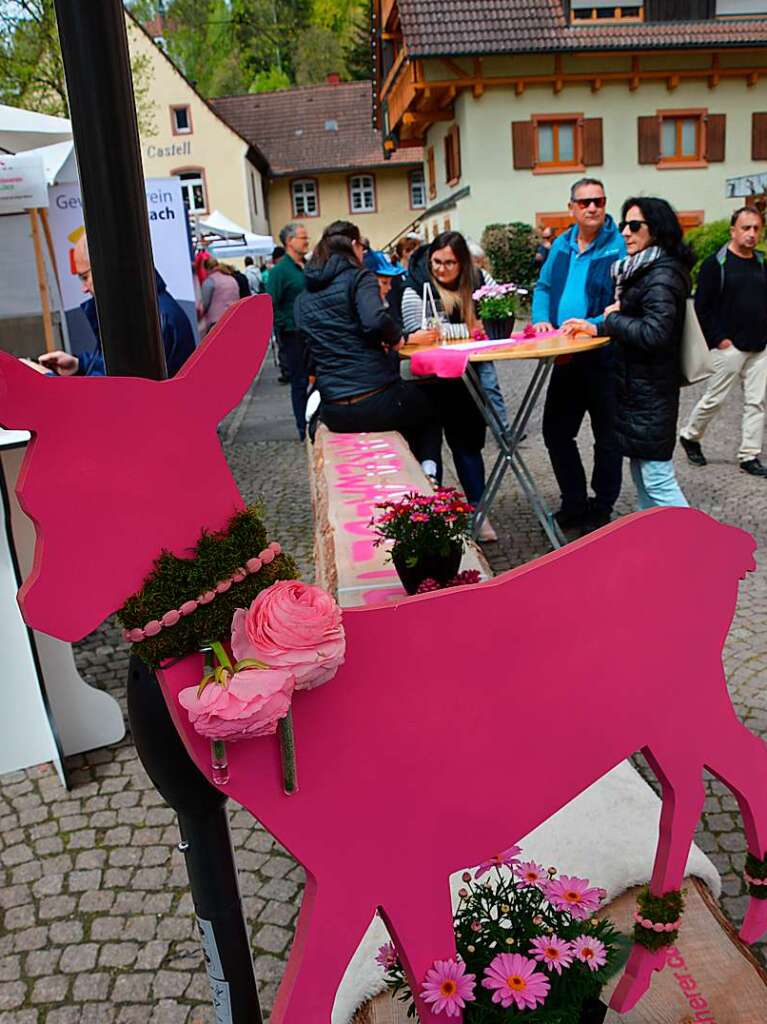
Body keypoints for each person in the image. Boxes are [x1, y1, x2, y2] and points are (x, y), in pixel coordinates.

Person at [295, 220, 442, 477]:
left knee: (409, 412)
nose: (364, 254)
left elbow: (309, 352)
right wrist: (399, 339)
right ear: (353, 245)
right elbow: (374, 320)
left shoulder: (303, 297)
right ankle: (429, 479)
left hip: (335, 410)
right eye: (362, 247)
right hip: (377, 399)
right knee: (429, 411)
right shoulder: (359, 277)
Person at [532, 177, 626, 533]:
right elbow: (543, 287)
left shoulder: (618, 246)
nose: (592, 208)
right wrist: (541, 320)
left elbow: (623, 302)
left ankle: (601, 506)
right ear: (571, 207)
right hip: (567, 356)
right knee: (556, 431)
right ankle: (573, 501)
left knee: (607, 437)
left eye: (598, 201)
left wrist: (591, 323)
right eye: (584, 202)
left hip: (603, 355)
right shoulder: (561, 244)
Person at [401, 231, 508, 541]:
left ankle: (478, 512)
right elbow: (419, 334)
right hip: (427, 382)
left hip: (466, 380)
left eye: (450, 263)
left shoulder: (479, 278)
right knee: (428, 450)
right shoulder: (415, 286)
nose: (442, 269)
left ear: (462, 263)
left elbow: (496, 322)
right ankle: (434, 519)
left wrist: (462, 331)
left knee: (467, 448)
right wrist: (466, 330)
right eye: (437, 261)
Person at [600, 196, 693, 509]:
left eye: (634, 225)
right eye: (624, 223)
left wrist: (612, 319)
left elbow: (655, 333)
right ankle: (654, 545)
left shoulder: (662, 275)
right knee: (641, 473)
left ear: (657, 230)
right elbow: (636, 319)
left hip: (651, 391)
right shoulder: (642, 270)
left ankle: (706, 551)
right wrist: (599, 327)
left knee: (656, 478)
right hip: (638, 390)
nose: (625, 231)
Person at [679, 206, 767, 478]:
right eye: (745, 228)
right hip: (729, 347)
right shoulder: (715, 264)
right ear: (733, 231)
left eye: (756, 228)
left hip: (760, 346)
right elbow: (702, 308)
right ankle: (690, 435)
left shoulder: (763, 262)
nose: (751, 234)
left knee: (757, 402)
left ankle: (749, 455)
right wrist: (720, 340)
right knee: (714, 399)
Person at [35, 233, 195, 378]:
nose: (83, 288)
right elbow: (115, 372)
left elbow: (111, 395)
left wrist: (47, 379)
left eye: (84, 277)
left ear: (105, 270)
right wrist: (80, 365)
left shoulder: (145, 320)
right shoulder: (145, 311)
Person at [267, 223, 310, 439]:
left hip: (311, 333)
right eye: (303, 237)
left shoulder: (306, 266)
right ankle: (302, 427)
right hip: (293, 334)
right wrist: (283, 325)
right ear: (289, 241)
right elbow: (269, 303)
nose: (307, 241)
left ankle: (314, 422)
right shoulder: (280, 272)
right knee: (299, 382)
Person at [200, 257, 240, 333]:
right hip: (233, 319)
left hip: (217, 323)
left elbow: (205, 304)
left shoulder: (210, 281)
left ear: (207, 269)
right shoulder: (232, 279)